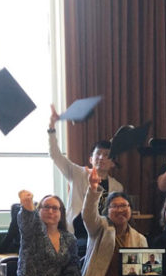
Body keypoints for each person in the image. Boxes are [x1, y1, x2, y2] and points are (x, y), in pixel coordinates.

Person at [47, 106, 123, 256]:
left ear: (113, 163)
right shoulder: (77, 173)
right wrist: (51, 127)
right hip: (78, 233)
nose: (101, 158)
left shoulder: (117, 187)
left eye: (106, 155)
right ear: (91, 159)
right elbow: (55, 155)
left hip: (102, 233)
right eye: (98, 154)